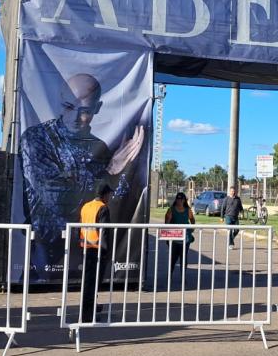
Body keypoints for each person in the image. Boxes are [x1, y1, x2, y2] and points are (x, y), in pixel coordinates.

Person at [20, 73, 145, 282]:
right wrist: (111, 172)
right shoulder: (37, 138)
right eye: (69, 107)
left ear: (97, 108)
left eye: (85, 111)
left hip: (86, 244)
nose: (75, 117)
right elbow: (56, 198)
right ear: (60, 102)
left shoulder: (100, 147)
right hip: (46, 250)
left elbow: (113, 200)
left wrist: (124, 171)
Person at [79, 182, 113, 323]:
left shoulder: (86, 206)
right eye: (109, 194)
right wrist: (106, 252)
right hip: (98, 250)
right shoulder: (103, 208)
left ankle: (90, 308)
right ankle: (88, 315)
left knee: (88, 282)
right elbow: (103, 232)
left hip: (86, 247)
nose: (110, 197)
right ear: (104, 195)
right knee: (93, 283)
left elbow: (79, 226)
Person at [164, 192, 196, 273]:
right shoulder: (171, 210)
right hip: (174, 238)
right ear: (176, 200)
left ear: (184, 200)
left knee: (183, 258)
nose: (180, 201)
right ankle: (169, 276)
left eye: (181, 199)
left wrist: (192, 228)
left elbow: (192, 219)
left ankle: (183, 277)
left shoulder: (188, 210)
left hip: (186, 238)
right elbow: (166, 222)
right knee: (173, 258)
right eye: (178, 199)